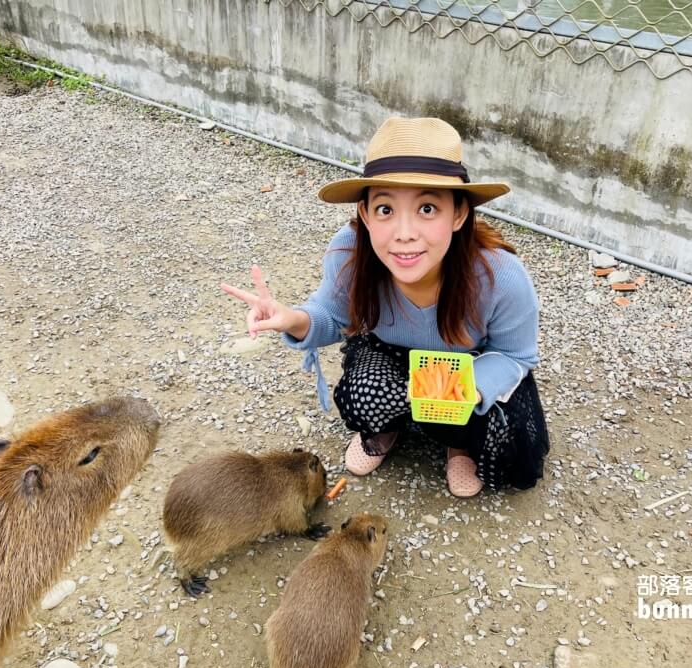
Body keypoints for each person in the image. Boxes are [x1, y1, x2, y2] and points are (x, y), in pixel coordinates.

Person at [221, 116, 549, 497]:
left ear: (459, 213)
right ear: (364, 213)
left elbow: (515, 355)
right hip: (391, 355)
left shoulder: (500, 276)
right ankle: (386, 427)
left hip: (467, 362)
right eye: (385, 210)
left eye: (427, 208)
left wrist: (463, 390)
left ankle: (457, 442)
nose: (404, 234)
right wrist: (292, 319)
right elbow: (331, 313)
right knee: (363, 395)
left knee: (512, 446)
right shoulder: (350, 250)